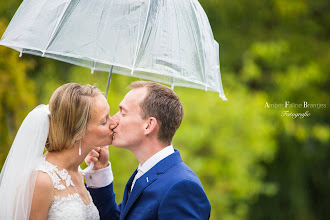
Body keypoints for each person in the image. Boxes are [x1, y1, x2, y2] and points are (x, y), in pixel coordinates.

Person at [85, 81, 211, 219]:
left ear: (149, 125)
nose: (114, 120)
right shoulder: (144, 173)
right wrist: (99, 170)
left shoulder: (182, 187)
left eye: (123, 113)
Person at [0, 83, 117, 219]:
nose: (114, 123)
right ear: (78, 131)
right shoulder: (41, 180)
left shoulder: (78, 173)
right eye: (104, 121)